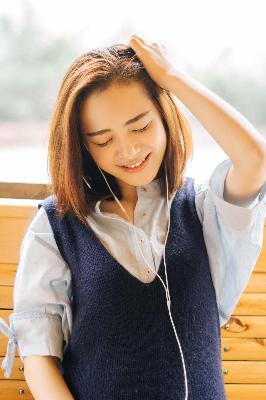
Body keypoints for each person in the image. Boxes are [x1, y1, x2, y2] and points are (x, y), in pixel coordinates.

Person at [1, 34, 266, 400]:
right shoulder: (56, 228)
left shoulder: (203, 210)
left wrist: (172, 77)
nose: (128, 150)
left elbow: (255, 161)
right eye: (103, 140)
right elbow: (39, 358)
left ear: (164, 116)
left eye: (140, 127)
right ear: (82, 146)